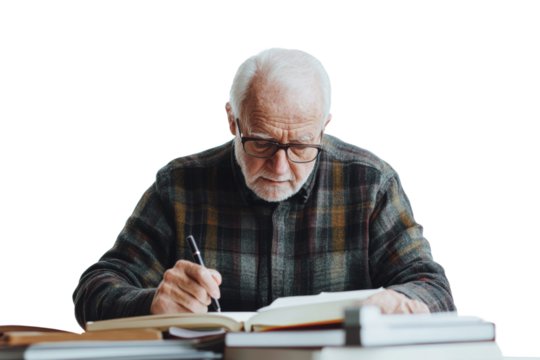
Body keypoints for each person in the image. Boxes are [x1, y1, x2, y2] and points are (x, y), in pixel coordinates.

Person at [72, 46, 457, 330]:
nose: (280, 166)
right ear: (232, 122)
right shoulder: (181, 184)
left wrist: (405, 302)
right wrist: (152, 303)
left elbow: (435, 288)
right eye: (261, 142)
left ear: (324, 127)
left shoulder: (370, 181)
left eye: (302, 146)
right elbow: (92, 291)